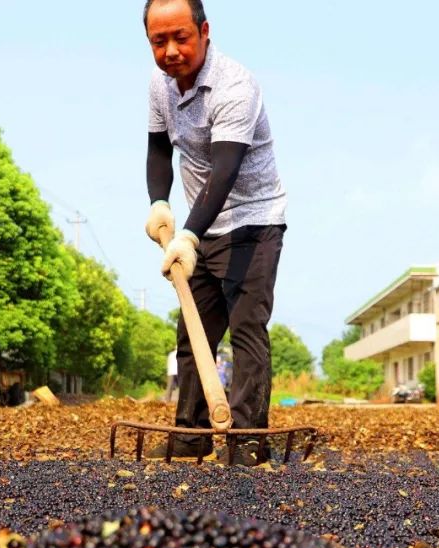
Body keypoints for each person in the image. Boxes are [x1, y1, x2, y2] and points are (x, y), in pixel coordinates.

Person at [143, 0, 286, 466]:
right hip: (201, 224)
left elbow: (224, 171)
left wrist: (187, 236)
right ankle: (191, 437)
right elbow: (160, 150)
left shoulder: (235, 86)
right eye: (158, 41)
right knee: (193, 332)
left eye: (180, 37)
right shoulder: (160, 85)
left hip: (254, 220)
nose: (170, 51)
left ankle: (247, 441)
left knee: (246, 327)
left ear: (204, 31)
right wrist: (159, 202)